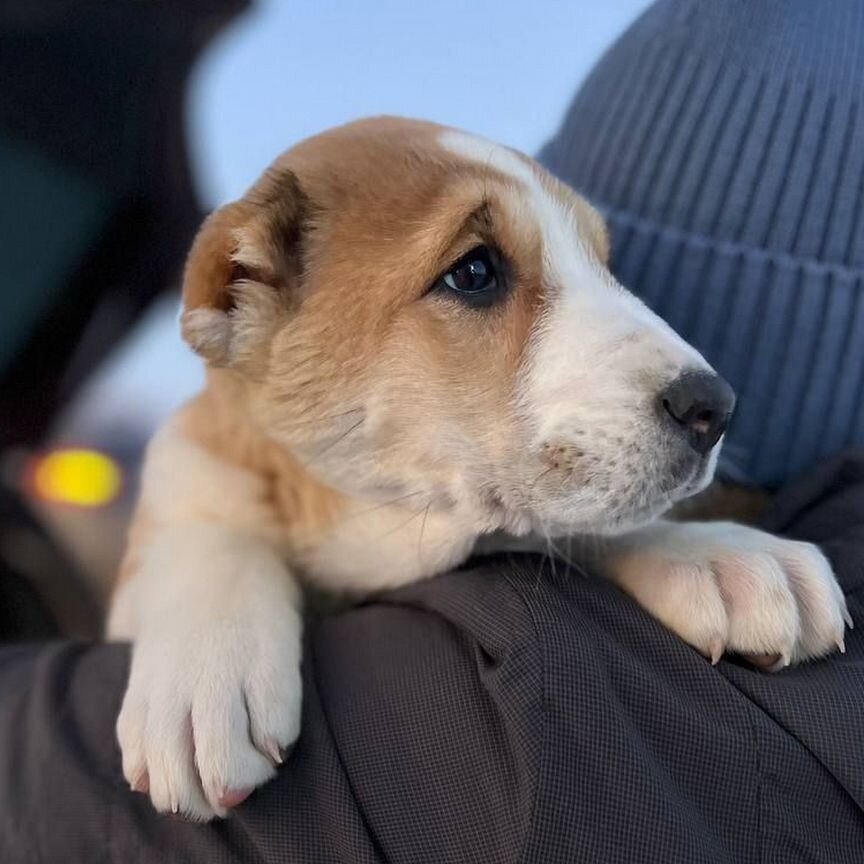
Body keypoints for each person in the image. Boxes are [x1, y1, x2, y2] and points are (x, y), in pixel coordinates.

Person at [3, 1, 864, 861]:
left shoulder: (539, 684)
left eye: (598, 268)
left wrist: (633, 545)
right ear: (238, 296)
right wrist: (211, 571)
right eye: (478, 271)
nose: (685, 367)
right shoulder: (204, 477)